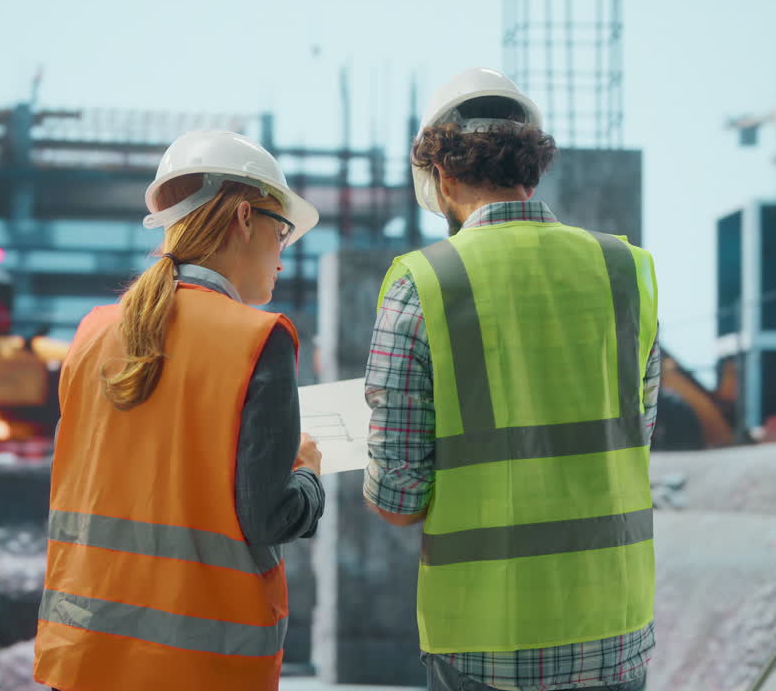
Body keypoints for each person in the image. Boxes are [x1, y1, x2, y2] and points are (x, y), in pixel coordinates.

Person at [362, 68, 662, 691]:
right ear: (533, 163)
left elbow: (397, 500)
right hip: (614, 629)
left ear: (439, 174)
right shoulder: (627, 271)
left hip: (484, 639)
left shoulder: (423, 284)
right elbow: (637, 434)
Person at [34, 130, 325, 691]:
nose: (283, 256)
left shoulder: (93, 333)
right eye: (281, 230)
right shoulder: (259, 339)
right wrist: (307, 475)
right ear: (244, 217)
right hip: (202, 664)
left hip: (84, 655)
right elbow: (269, 517)